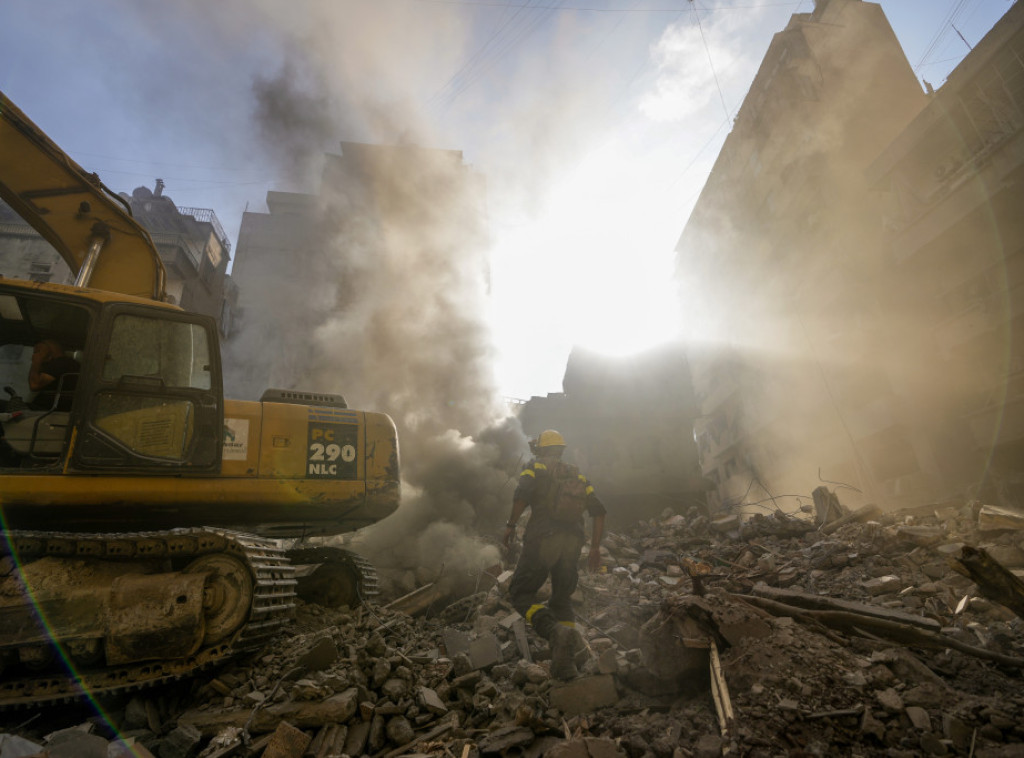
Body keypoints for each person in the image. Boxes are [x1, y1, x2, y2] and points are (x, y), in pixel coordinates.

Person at [502, 429, 606, 680]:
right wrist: (594, 548)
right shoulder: (576, 474)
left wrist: (511, 525)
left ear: (541, 449)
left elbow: (521, 496)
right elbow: (599, 511)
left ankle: (551, 630)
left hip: (543, 540)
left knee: (520, 593)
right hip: (573, 544)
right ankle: (565, 664)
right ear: (560, 449)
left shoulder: (535, 467)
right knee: (562, 601)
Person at [28, 339, 79, 411]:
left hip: (49, 412)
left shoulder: (61, 363)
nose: (34, 355)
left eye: (38, 351)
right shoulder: (68, 363)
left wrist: (36, 362)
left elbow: (35, 384)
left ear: (50, 350)